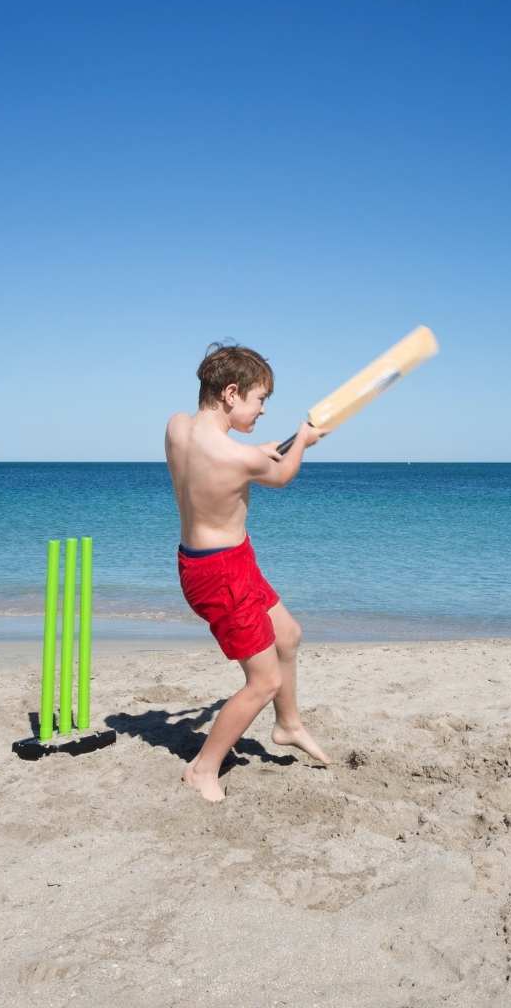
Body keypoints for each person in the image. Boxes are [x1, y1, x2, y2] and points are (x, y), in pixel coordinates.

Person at [164, 343, 326, 801]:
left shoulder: (178, 427)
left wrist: (259, 448)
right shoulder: (240, 459)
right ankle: (203, 768)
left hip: (219, 560)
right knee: (264, 680)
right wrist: (304, 439)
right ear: (231, 394)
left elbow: (223, 457)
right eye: (259, 400)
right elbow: (280, 475)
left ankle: (288, 724)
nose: (262, 410)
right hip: (220, 575)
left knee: (288, 634)